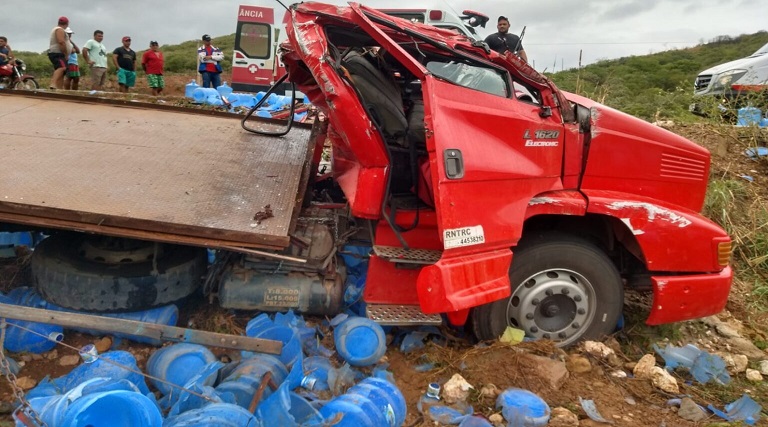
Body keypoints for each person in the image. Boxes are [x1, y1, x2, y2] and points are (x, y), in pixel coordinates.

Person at [48, 16, 73, 89]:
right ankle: (53, 84)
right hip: (58, 53)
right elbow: (61, 42)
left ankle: (59, 88)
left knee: (62, 72)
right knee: (62, 67)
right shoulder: (59, 30)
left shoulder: (58, 29)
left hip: (58, 52)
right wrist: (65, 53)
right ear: (67, 23)